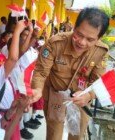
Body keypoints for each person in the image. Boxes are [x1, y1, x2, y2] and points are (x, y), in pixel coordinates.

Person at [31, 7, 110, 140]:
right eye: (78, 34)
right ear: (74, 27)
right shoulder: (56, 43)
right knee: (54, 135)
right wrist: (37, 90)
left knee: (77, 135)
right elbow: (40, 71)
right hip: (55, 97)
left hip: (81, 99)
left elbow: (98, 82)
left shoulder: (100, 51)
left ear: (99, 38)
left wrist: (89, 95)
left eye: (90, 39)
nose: (81, 42)